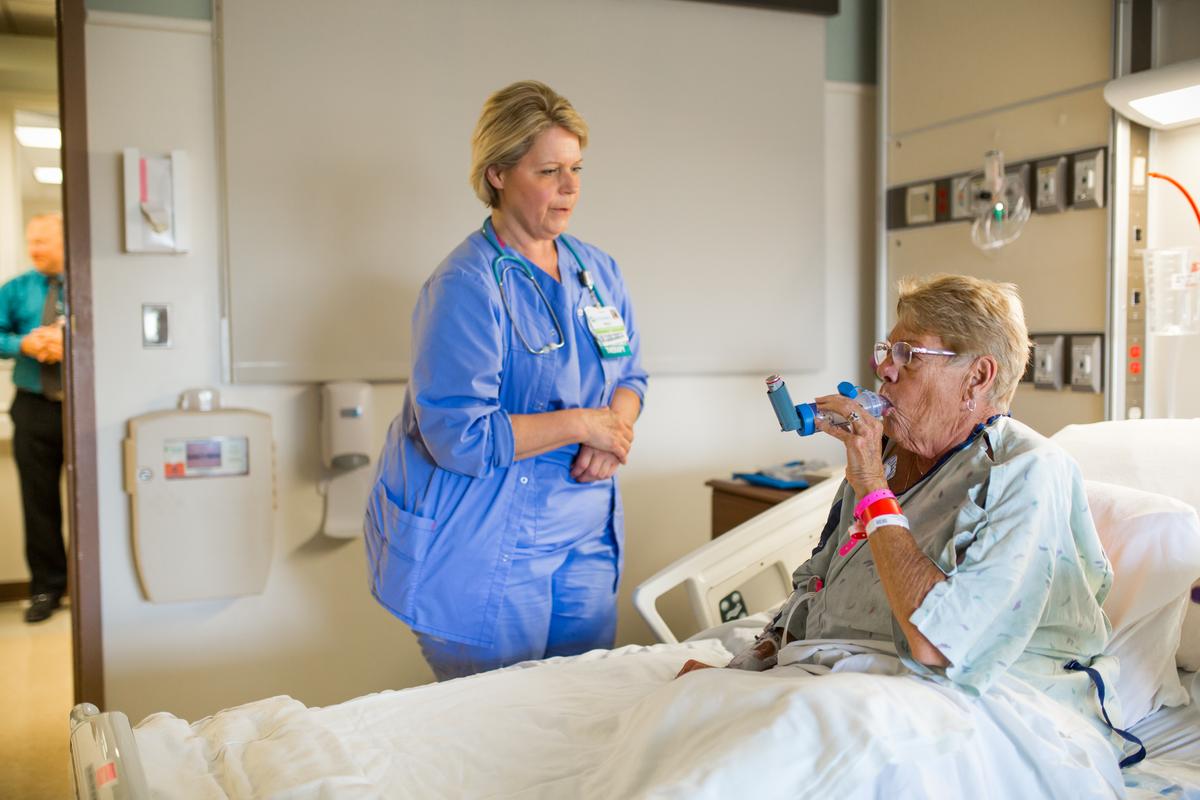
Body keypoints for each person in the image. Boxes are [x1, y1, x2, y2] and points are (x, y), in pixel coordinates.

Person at [678, 274, 1123, 744]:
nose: (885, 370)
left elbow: (940, 644)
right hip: (836, 679)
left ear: (977, 376)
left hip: (972, 704)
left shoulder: (1028, 470)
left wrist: (872, 488)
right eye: (886, 352)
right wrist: (744, 669)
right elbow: (818, 580)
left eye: (908, 355)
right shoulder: (885, 458)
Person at [366, 80, 648, 681]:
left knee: (583, 714)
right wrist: (584, 425)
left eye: (576, 168)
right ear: (498, 173)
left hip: (586, 535)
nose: (570, 187)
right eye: (549, 170)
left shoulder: (595, 271)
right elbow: (461, 437)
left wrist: (616, 427)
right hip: (492, 542)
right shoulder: (467, 287)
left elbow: (632, 373)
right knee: (500, 730)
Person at [0, 213, 67, 623]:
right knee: (38, 504)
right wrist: (22, 342)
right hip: (33, 407)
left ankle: (96, 585)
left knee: (95, 502)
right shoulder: (16, 289)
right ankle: (47, 589)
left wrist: (68, 342)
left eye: (43, 241)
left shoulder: (90, 284)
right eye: (32, 241)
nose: (35, 249)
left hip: (82, 409)